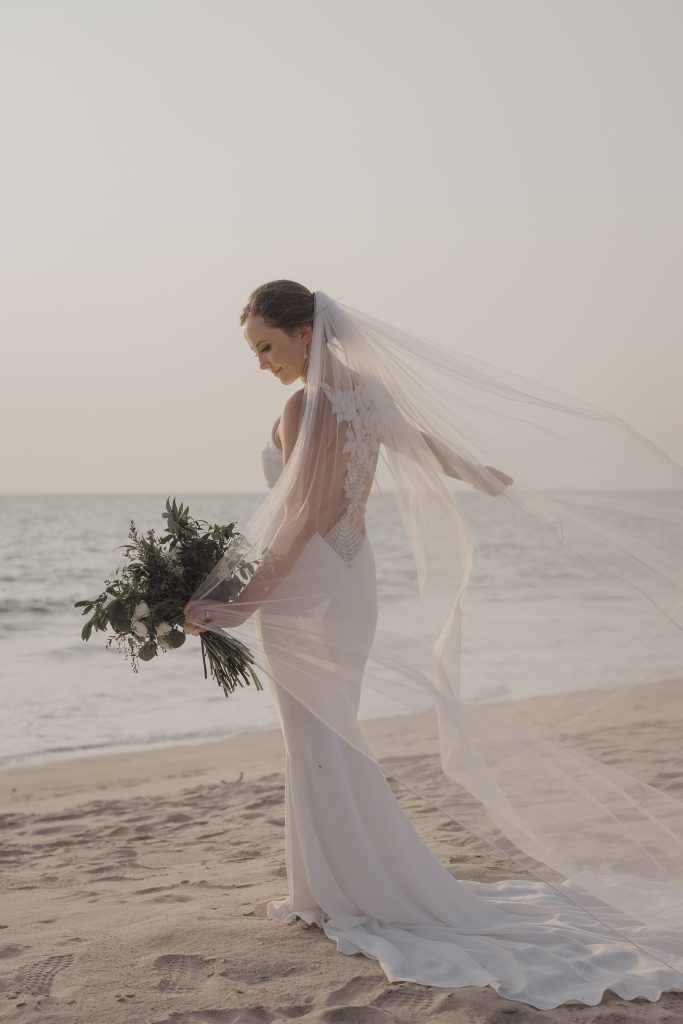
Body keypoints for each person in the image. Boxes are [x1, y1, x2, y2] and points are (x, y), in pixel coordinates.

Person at [184, 281, 683, 1010]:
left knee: (315, 736)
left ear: (302, 333)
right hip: (355, 579)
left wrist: (241, 601)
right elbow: (433, 451)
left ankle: (341, 891)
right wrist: (487, 478)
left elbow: (304, 517)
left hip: (312, 583)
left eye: (265, 346)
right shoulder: (369, 394)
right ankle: (331, 885)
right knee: (332, 732)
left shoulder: (304, 405)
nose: (262, 363)